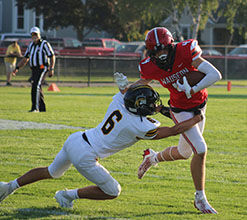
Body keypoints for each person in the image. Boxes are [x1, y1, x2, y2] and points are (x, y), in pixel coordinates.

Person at [0, 73, 203, 209]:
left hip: (76, 139)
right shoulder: (140, 126)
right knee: (113, 191)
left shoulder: (120, 101)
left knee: (51, 171)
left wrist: (134, 89)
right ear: (140, 107)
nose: (155, 105)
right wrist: (196, 118)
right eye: (151, 103)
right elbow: (175, 130)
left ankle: (9, 186)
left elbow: (128, 92)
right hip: (86, 155)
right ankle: (67, 195)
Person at [135, 27, 222, 214]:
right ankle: (200, 198)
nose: (162, 53)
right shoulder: (150, 66)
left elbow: (215, 75)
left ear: (172, 45)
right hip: (180, 110)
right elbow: (142, 82)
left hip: (200, 104)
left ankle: (152, 158)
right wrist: (124, 88)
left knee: (185, 152)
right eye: (157, 50)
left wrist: (193, 88)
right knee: (201, 149)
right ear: (151, 52)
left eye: (164, 48)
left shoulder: (186, 51)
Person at [12, 27, 55, 112]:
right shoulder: (31, 45)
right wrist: (17, 67)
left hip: (43, 68)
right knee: (37, 86)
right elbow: (25, 58)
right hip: (34, 69)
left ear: (39, 34)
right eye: (32, 34)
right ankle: (42, 108)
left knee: (35, 86)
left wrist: (51, 68)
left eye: (35, 34)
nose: (34, 36)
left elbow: (52, 55)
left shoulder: (44, 44)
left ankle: (35, 108)